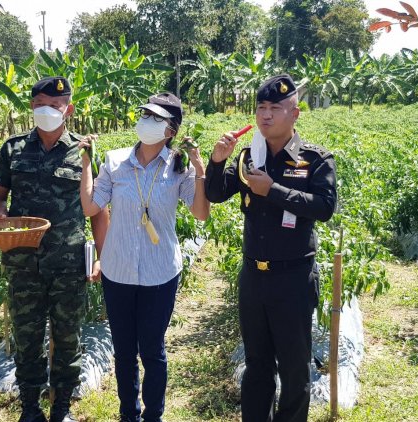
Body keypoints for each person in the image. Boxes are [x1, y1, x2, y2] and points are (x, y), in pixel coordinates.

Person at [204, 74, 337, 421]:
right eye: (261, 107)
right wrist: (218, 161)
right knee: (257, 364)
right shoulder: (250, 156)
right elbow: (216, 194)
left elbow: (324, 207)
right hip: (254, 278)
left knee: (294, 369)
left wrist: (273, 190)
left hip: (293, 277)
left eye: (275, 108)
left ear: (294, 114)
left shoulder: (314, 159)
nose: (265, 115)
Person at [79, 93, 210, 422]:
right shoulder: (114, 161)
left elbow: (200, 214)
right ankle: (129, 415)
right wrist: (86, 164)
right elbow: (90, 207)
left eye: (155, 119)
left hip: (160, 274)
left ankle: (154, 416)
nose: (146, 122)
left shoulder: (178, 168)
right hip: (117, 271)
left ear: (170, 130)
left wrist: (200, 169)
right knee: (123, 352)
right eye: (144, 115)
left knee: (152, 350)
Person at [0, 76, 109, 422]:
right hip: (22, 260)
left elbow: (99, 209)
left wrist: (102, 256)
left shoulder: (84, 151)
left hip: (68, 262)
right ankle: (30, 408)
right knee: (26, 335)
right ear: (32, 106)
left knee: (68, 336)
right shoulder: (13, 150)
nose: (48, 111)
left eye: (55, 105)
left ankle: (63, 408)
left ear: (67, 108)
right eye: (41, 104)